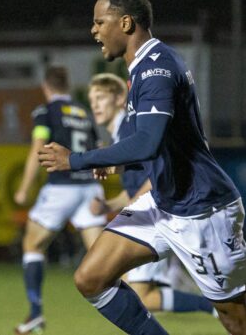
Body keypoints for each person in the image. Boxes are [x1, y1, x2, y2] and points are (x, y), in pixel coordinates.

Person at [37, 0, 246, 335]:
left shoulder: (156, 69)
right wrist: (119, 161)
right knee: (91, 278)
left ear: (125, 23)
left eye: (99, 22)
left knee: (239, 322)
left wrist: (76, 160)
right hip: (164, 201)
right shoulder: (143, 67)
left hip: (202, 210)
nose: (93, 30)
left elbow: (148, 142)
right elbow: (162, 141)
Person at [87, 73, 214, 316]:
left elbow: (158, 174)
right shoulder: (121, 134)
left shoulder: (129, 129)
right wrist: (108, 205)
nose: (95, 104)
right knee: (129, 287)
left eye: (101, 97)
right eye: (92, 99)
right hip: (157, 212)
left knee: (132, 292)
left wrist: (130, 209)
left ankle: (213, 305)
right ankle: (207, 301)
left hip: (159, 214)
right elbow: (137, 187)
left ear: (119, 98)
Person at [13, 65, 106, 334]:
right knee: (103, 256)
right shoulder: (83, 113)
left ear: (46, 87)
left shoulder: (46, 112)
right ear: (67, 85)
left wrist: (24, 188)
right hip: (89, 187)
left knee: (32, 244)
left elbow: (38, 149)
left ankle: (35, 312)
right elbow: (99, 149)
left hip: (61, 187)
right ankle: (140, 301)